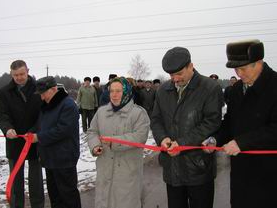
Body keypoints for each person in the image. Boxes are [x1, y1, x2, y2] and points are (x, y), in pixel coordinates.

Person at [151, 47, 223, 208]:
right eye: (171, 75)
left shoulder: (210, 88)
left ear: (191, 66)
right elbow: (156, 120)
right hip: (172, 168)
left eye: (179, 74)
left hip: (198, 167)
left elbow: (212, 122)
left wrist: (182, 143)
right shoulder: (163, 90)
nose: (175, 79)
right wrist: (163, 138)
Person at [215, 39, 277, 208]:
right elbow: (230, 121)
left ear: (258, 62)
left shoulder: (274, 86)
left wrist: (241, 142)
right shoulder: (236, 90)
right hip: (241, 172)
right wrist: (215, 139)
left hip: (268, 173)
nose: (239, 73)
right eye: (236, 69)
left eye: (242, 68)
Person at [87, 77, 150, 208]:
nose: (114, 95)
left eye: (118, 91)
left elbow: (140, 137)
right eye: (111, 91)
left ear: (126, 92)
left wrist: (114, 142)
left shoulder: (138, 114)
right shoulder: (101, 112)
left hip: (127, 171)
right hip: (105, 169)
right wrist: (95, 146)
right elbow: (92, 131)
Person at [0, 60, 44, 208]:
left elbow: (44, 113)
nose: (19, 77)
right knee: (16, 179)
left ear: (28, 71)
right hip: (14, 140)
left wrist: (35, 130)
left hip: (34, 140)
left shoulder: (39, 89)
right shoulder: (4, 92)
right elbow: (1, 114)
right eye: (16, 75)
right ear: (11, 74)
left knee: (36, 179)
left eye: (22, 74)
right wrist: (7, 128)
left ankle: (38, 205)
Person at [31, 76, 81, 208]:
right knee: (55, 197)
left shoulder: (68, 105)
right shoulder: (47, 105)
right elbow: (41, 126)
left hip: (64, 158)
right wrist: (31, 133)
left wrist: (39, 138)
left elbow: (62, 130)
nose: (41, 97)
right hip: (49, 158)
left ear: (54, 89)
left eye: (43, 93)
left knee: (68, 196)